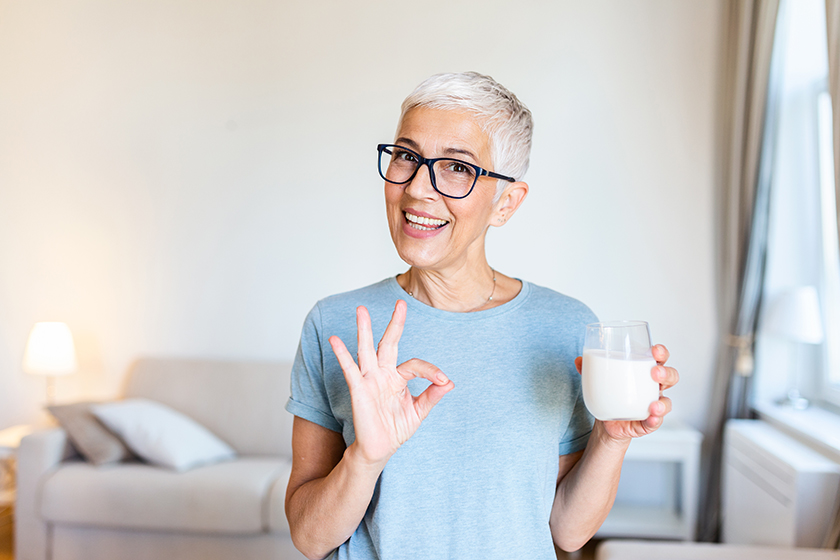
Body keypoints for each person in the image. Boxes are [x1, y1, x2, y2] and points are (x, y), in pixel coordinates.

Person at [284, 71, 679, 560]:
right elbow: (308, 537)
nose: (417, 191)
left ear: (506, 203)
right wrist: (364, 459)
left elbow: (567, 532)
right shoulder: (337, 325)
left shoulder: (566, 329)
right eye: (407, 156)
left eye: (455, 167)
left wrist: (611, 438)